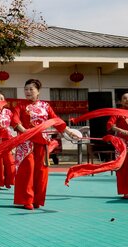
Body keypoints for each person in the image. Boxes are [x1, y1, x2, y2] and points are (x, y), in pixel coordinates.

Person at [11, 79, 79, 210]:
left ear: (38, 92)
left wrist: (69, 132)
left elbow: (55, 120)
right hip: (26, 143)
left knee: (41, 172)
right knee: (28, 170)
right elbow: (15, 119)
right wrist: (23, 130)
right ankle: (27, 200)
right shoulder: (20, 105)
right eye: (26, 89)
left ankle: (37, 200)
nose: (28, 92)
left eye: (31, 89)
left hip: (42, 143)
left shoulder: (45, 106)